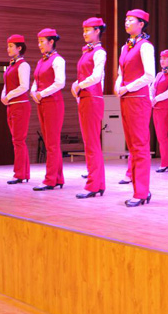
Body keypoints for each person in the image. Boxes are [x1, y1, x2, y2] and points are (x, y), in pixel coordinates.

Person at [116, 9, 155, 207]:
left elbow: (149, 75)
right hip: (126, 98)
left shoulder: (145, 46)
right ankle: (138, 190)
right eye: (126, 19)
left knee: (139, 146)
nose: (126, 22)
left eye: (131, 20)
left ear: (141, 24)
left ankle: (141, 192)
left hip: (138, 99)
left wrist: (127, 88)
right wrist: (118, 86)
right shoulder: (125, 47)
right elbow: (120, 73)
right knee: (132, 146)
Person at [71, 17, 107, 199]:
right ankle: (98, 184)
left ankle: (93, 184)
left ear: (97, 31)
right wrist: (76, 85)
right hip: (85, 98)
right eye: (83, 30)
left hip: (93, 98)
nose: (84, 33)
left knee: (92, 143)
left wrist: (79, 85)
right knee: (90, 143)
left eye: (88, 30)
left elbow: (97, 76)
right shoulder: (86, 52)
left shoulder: (99, 52)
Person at [31, 28, 66, 191]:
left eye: (41, 41)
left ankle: (50, 179)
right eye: (38, 42)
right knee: (49, 142)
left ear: (51, 42)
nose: (39, 45)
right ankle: (58, 178)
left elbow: (60, 83)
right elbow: (36, 80)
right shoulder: (41, 61)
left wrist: (41, 93)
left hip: (53, 103)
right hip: (42, 102)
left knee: (52, 143)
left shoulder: (58, 60)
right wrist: (34, 92)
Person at [1, 35, 30, 184]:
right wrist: (3, 95)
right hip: (11, 105)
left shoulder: (23, 65)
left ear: (19, 48)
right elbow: (6, 84)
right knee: (17, 140)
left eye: (11, 46)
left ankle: (19, 174)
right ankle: (23, 173)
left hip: (20, 105)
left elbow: (24, 86)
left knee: (18, 140)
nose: (8, 49)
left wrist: (9, 95)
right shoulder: (11, 65)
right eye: (8, 46)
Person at [151, 50, 168, 173]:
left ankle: (165, 163)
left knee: (162, 135)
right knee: (160, 136)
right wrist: (151, 98)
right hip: (155, 107)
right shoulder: (159, 74)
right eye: (161, 58)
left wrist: (156, 99)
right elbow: (152, 88)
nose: (162, 61)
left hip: (165, 108)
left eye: (165, 58)